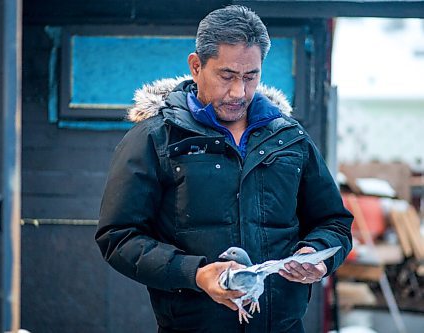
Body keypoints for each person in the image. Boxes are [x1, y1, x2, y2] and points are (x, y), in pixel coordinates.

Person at [95, 5, 353, 332]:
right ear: (196, 65)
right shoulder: (154, 139)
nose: (238, 92)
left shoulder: (290, 138)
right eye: (227, 76)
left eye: (250, 77)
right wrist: (195, 273)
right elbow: (118, 237)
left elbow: (335, 222)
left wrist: (318, 256)